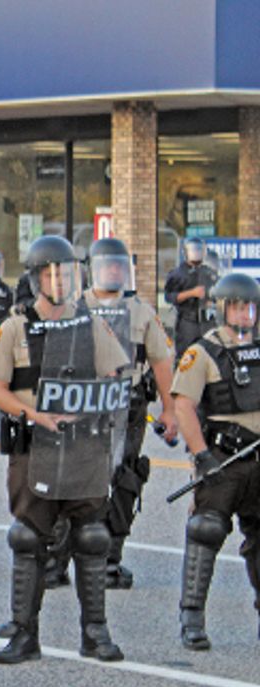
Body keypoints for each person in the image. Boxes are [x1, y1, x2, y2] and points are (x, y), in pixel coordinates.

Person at [0, 235, 129, 664]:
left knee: (91, 535)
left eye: (65, 272)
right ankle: (25, 634)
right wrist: (34, 415)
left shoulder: (89, 323)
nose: (59, 280)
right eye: (50, 273)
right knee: (29, 537)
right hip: (36, 445)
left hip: (83, 446)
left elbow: (115, 373)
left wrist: (96, 404)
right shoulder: (16, 327)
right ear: (35, 278)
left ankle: (95, 633)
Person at [169, 272, 260, 650]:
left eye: (250, 307)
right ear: (222, 309)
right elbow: (184, 406)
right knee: (205, 530)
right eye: (237, 307)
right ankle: (192, 618)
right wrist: (201, 455)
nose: (244, 314)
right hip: (222, 457)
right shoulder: (201, 352)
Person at [83, 239, 177, 588]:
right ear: (92, 268)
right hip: (84, 402)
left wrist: (169, 409)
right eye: (106, 265)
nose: (112, 271)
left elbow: (162, 362)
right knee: (75, 475)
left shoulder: (141, 311)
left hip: (130, 403)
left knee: (124, 478)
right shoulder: (76, 306)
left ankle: (110, 557)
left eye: (118, 265)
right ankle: (60, 557)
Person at [165, 237, 219, 359]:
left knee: (210, 355)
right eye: (194, 250)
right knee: (186, 358)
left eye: (199, 250)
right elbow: (169, 297)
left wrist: (212, 299)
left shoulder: (208, 272)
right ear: (186, 252)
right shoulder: (177, 273)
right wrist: (191, 293)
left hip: (207, 321)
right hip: (187, 322)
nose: (196, 253)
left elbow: (218, 290)